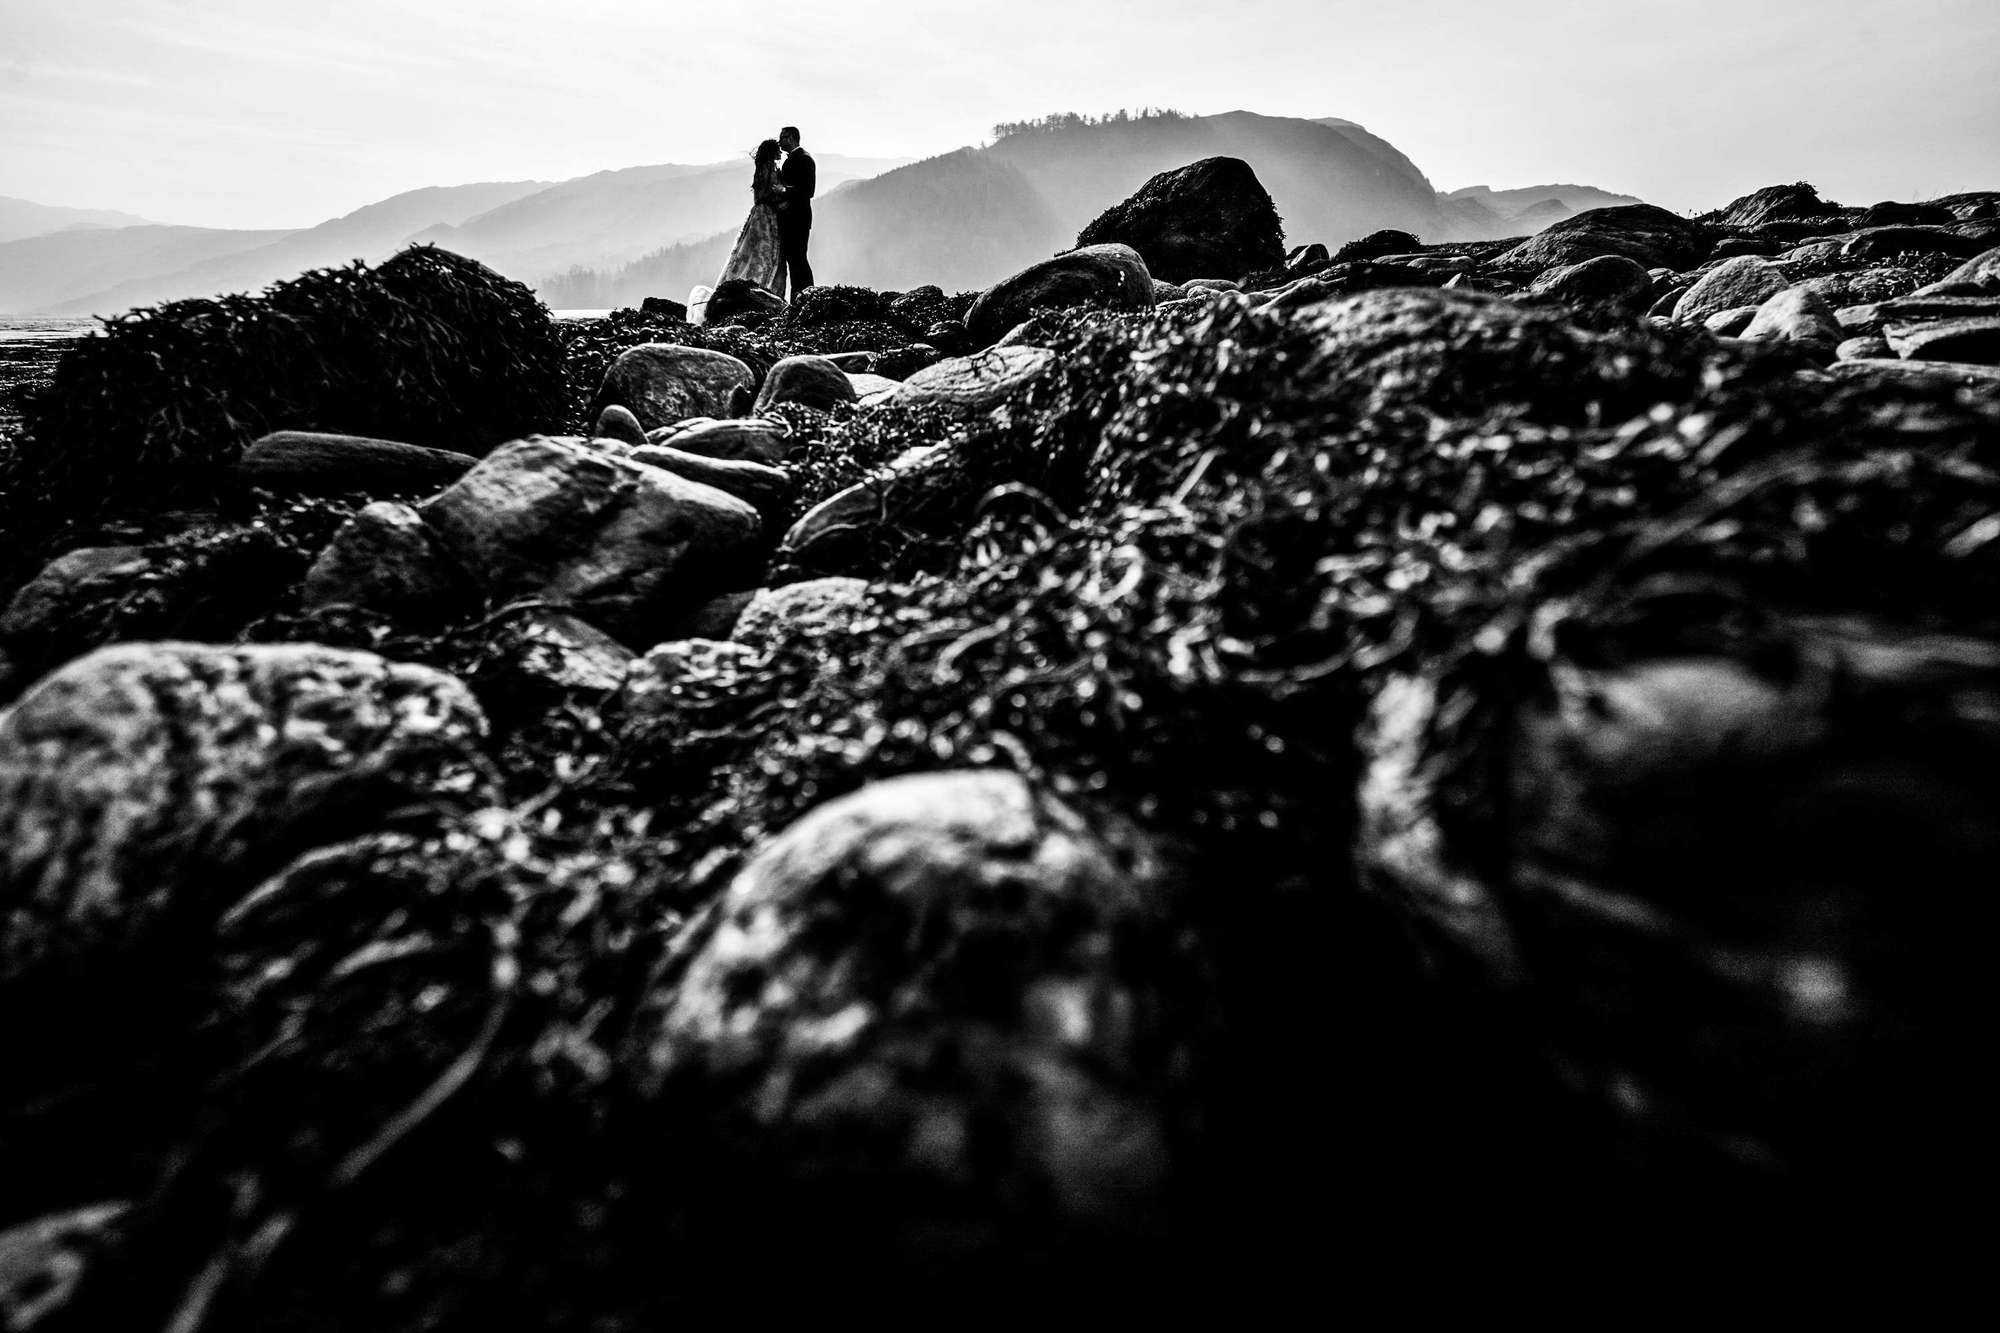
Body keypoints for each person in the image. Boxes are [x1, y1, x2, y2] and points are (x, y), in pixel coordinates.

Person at [713, 138, 787, 296]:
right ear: (772, 152)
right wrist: (779, 198)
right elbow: (761, 195)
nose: (780, 152)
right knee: (763, 253)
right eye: (778, 150)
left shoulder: (768, 167)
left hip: (766, 215)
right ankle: (761, 287)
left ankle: (761, 286)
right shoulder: (766, 167)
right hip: (764, 216)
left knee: (759, 253)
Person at [775, 126, 815, 297]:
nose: (779, 141)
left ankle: (807, 294)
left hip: (798, 219)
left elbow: (808, 190)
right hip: (790, 219)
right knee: (794, 260)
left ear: (791, 138)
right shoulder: (794, 159)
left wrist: (783, 191)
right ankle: (798, 296)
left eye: (782, 138)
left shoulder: (804, 159)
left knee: (798, 259)